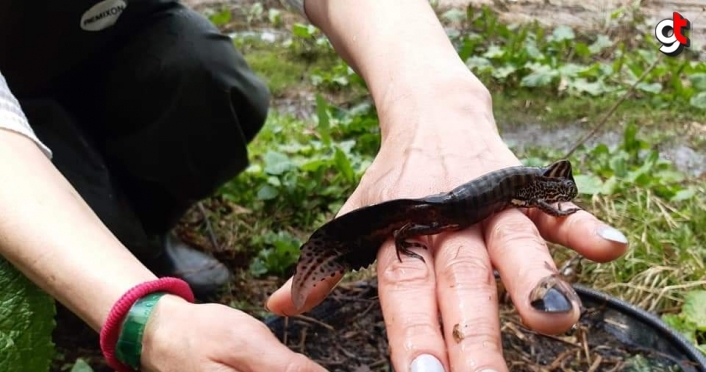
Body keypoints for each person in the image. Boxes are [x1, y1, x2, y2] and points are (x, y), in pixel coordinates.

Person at [0, 0, 629, 371]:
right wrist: (133, 307)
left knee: (209, 76)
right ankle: (118, 243)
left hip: (112, 46)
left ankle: (149, 229)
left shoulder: (517, 186)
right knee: (74, 210)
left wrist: (438, 99)